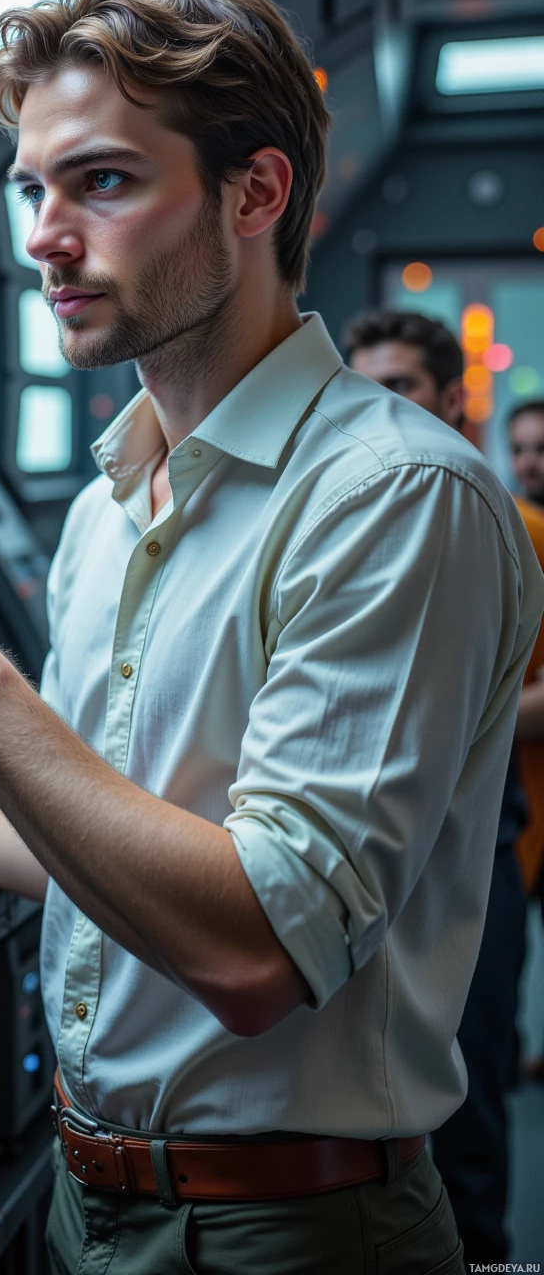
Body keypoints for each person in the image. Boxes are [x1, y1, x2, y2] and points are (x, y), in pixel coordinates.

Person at [0, 0, 544, 1275]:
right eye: (30, 191)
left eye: (101, 182)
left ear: (255, 193)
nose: (45, 238)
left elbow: (258, 944)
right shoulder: (110, 506)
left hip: (290, 1230)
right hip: (91, 1204)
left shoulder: (395, 496)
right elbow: (120, 832)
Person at [343, 309, 531, 1265]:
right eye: (362, 387)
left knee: (469, 1106)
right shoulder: (344, 520)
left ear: (452, 399)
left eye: (402, 388)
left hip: (473, 858)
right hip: (365, 865)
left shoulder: (488, 517)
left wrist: (456, 710)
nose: (378, 407)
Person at [507, 399, 544, 1081]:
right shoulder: (513, 527)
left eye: (542, 448)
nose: (530, 463)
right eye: (520, 449)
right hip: (518, 796)